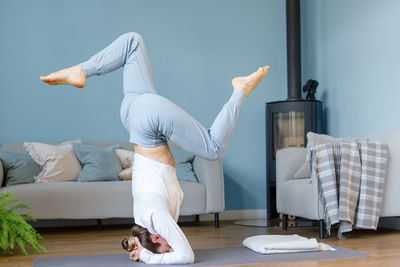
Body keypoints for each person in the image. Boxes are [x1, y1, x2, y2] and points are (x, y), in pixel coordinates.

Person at [40, 32, 269, 264]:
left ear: (157, 237)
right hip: (132, 110)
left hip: (149, 124)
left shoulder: (157, 219)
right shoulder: (143, 219)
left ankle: (240, 90)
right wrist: (142, 247)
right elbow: (143, 238)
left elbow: (186, 257)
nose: (170, 247)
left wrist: (150, 257)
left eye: (164, 248)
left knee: (212, 149)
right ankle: (82, 70)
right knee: (133, 42)